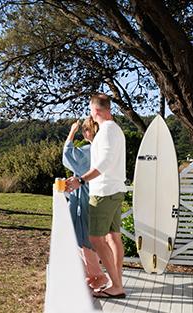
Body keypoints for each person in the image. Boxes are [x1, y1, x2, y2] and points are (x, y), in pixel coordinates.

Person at [66, 93, 127, 299]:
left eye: (91, 109)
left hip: (104, 192)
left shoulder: (107, 131)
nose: (90, 113)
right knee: (111, 237)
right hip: (114, 190)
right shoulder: (114, 130)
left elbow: (104, 163)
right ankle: (116, 280)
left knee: (95, 238)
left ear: (96, 110)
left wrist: (80, 180)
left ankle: (116, 286)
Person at [62, 117, 109, 290]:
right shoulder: (103, 150)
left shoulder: (91, 150)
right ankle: (93, 276)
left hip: (88, 198)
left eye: (85, 129)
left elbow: (68, 155)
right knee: (87, 237)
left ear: (93, 131)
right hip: (97, 197)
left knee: (84, 237)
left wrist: (71, 132)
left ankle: (99, 276)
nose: (83, 132)